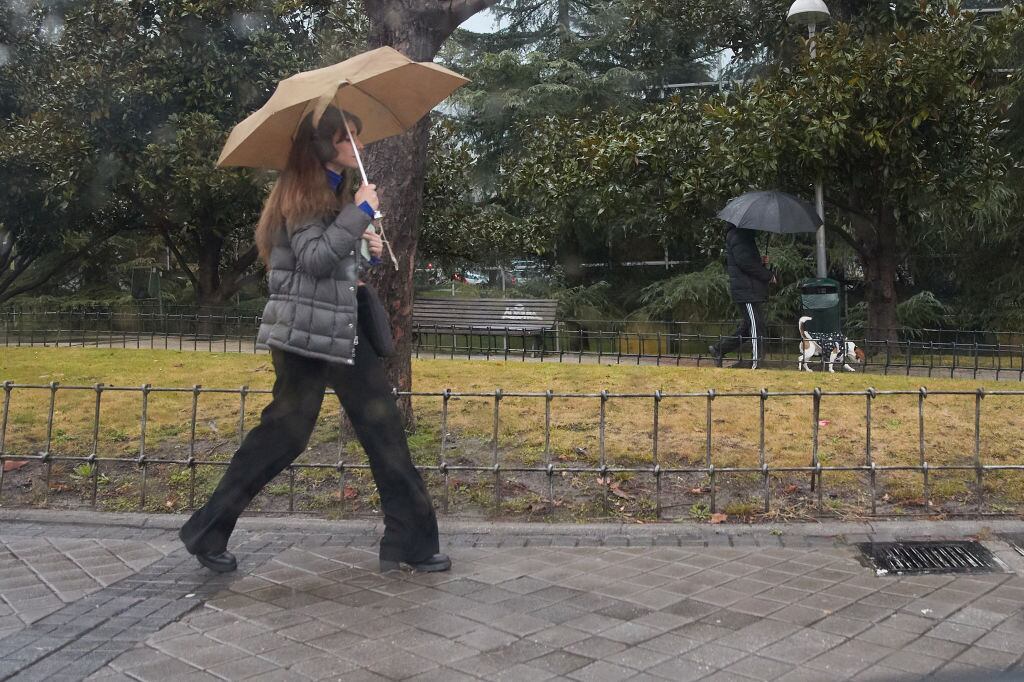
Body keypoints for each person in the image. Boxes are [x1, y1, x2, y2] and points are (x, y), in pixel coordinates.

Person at [179, 105, 450, 574]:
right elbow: (316, 260)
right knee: (375, 433)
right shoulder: (304, 193)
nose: (359, 146)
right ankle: (411, 543)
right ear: (325, 144)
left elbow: (329, 267)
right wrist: (361, 212)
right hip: (319, 338)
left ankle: (208, 529)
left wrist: (367, 251)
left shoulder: (325, 192)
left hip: (320, 332)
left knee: (288, 436)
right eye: (350, 138)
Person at [709, 224, 776, 369]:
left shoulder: (742, 235)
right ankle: (757, 362)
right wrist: (768, 276)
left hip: (749, 289)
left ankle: (719, 349)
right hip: (746, 290)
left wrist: (760, 262)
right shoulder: (740, 236)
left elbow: (747, 260)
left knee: (749, 327)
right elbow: (745, 263)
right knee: (756, 326)